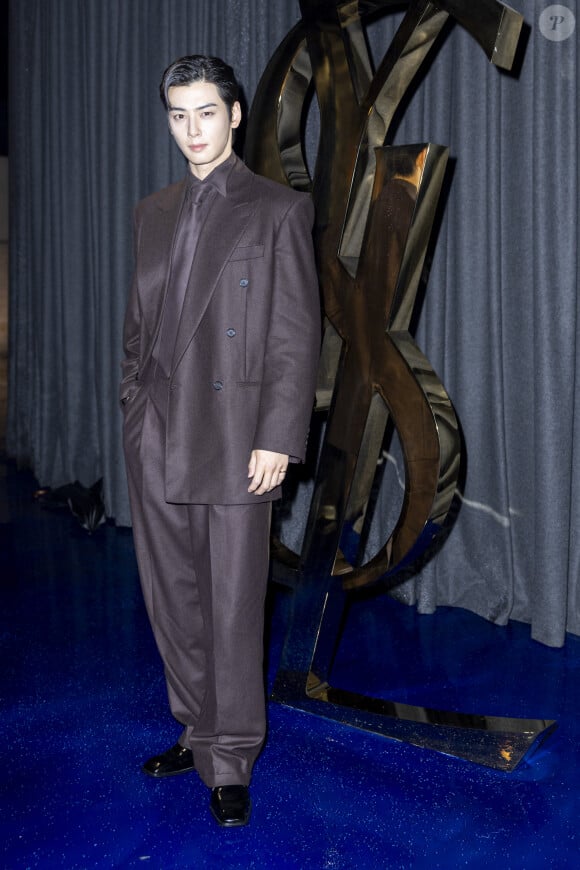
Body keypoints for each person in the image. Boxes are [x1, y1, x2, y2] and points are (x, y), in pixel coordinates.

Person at [119, 54, 320, 827]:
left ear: (235, 115)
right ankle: (195, 729)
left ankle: (231, 756)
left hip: (239, 435)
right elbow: (139, 326)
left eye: (206, 113)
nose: (192, 131)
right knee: (172, 594)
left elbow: (296, 335)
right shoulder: (153, 209)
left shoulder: (275, 209)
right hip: (160, 428)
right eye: (178, 115)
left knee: (234, 600)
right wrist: (133, 405)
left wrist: (278, 435)